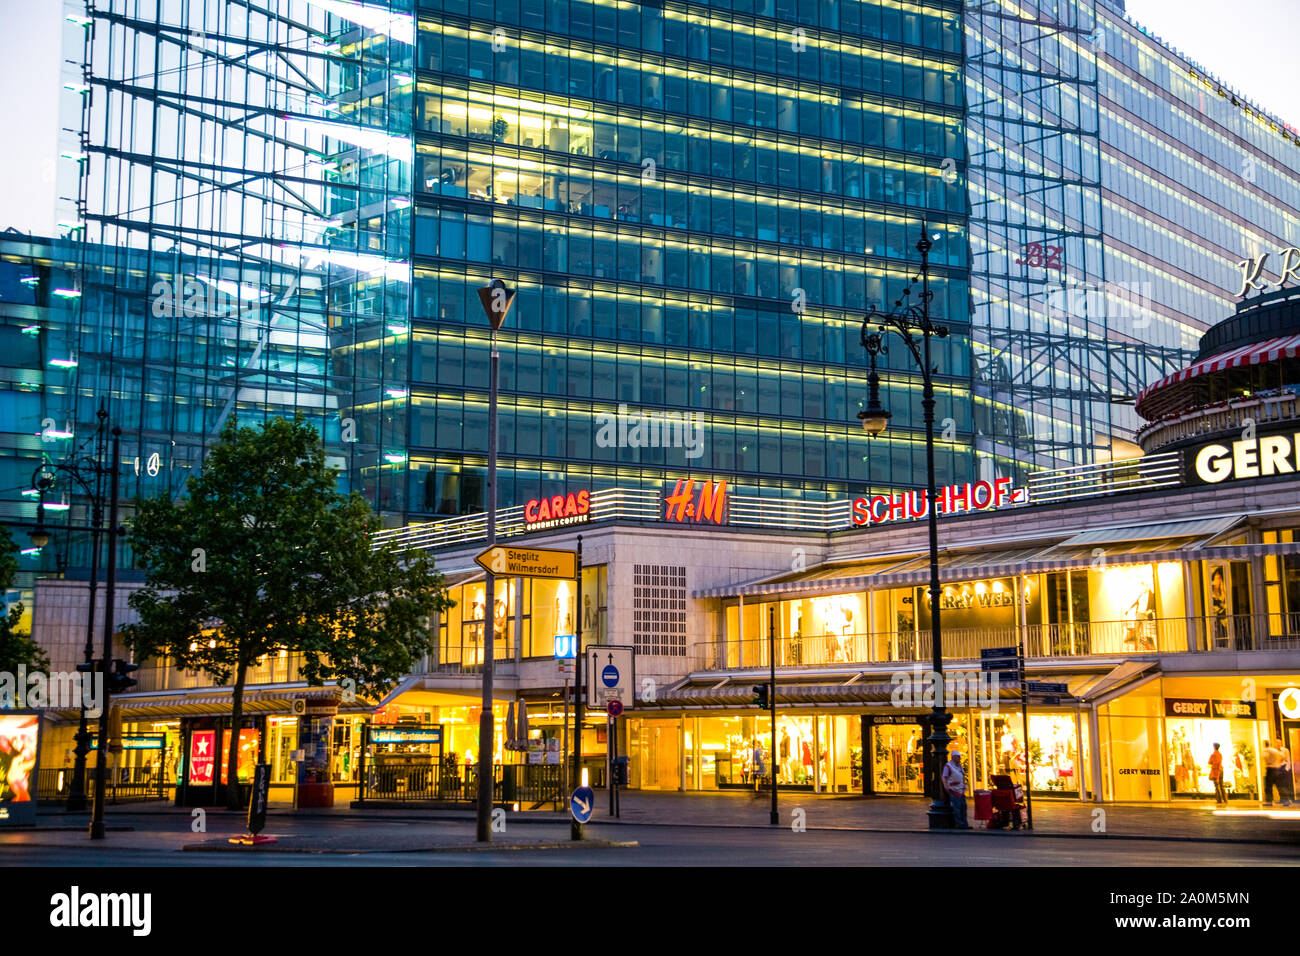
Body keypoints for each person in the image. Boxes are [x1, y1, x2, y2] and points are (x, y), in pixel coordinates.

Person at [942, 750, 970, 829]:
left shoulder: (959, 766)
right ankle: (960, 824)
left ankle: (964, 823)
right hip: (954, 789)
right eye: (958, 757)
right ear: (953, 757)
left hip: (960, 789)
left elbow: (961, 776)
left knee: (963, 807)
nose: (959, 758)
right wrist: (945, 785)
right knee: (957, 807)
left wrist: (964, 785)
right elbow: (944, 776)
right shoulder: (948, 766)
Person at [1261, 740, 1283, 806]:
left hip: (1270, 769)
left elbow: (1265, 757)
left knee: (1268, 786)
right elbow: (1282, 756)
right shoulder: (1275, 750)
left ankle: (1269, 801)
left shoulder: (1266, 750)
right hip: (1277, 768)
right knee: (1279, 785)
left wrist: (1268, 762)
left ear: (1264, 744)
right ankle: (1285, 799)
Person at [1277, 740, 1293, 806]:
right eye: (1276, 743)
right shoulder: (1275, 750)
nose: (1277, 744)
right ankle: (1282, 798)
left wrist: (1286, 769)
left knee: (1284, 784)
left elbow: (1287, 759)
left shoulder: (1285, 750)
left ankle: (1287, 799)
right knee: (1279, 784)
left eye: (1278, 743)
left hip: (1284, 767)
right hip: (1278, 767)